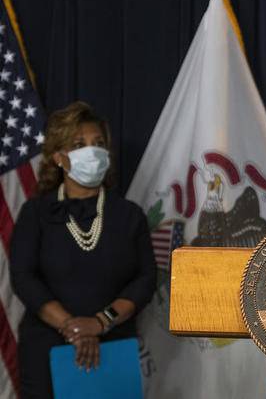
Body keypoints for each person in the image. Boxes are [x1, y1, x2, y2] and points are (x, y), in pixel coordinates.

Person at [10, 101, 157, 398]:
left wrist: (100, 323)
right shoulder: (36, 213)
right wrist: (73, 328)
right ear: (59, 158)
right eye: (79, 144)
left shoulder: (129, 216)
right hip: (47, 351)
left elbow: (145, 280)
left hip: (114, 347)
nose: (92, 151)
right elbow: (23, 278)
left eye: (98, 143)